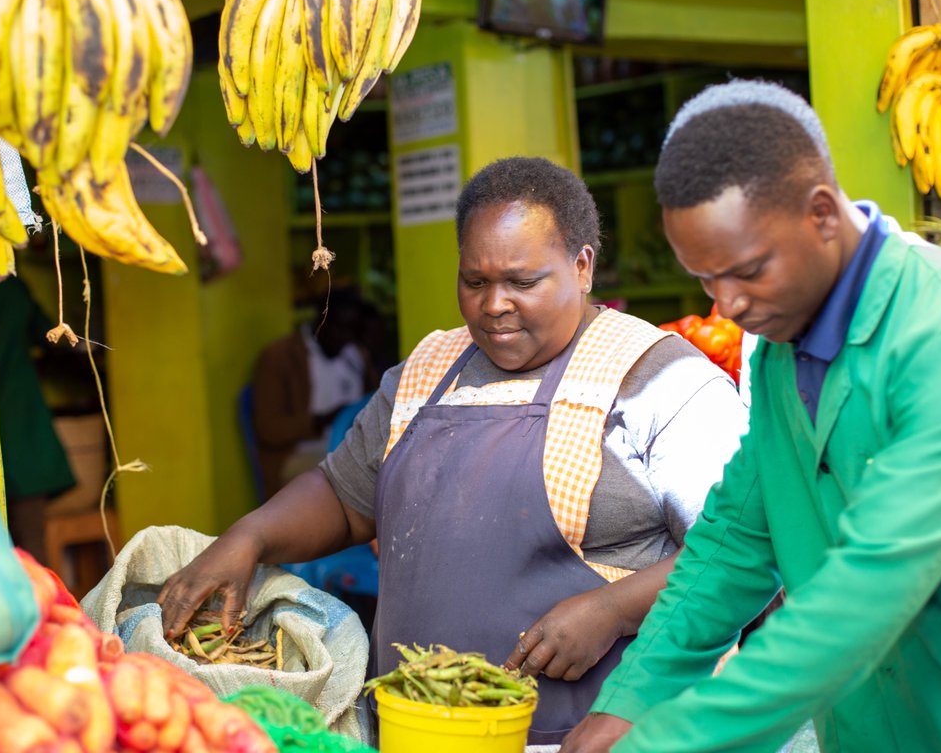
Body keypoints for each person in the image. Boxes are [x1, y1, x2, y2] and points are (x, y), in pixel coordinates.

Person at [159, 156, 749, 743]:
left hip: (599, 733)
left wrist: (613, 610)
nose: (494, 305)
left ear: (583, 265)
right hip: (418, 732)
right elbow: (344, 497)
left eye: (522, 282)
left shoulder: (658, 380)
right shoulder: (425, 371)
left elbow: (741, 554)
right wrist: (250, 537)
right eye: (475, 282)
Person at [562, 80, 941, 753]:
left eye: (748, 270)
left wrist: (663, 743)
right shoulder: (783, 351)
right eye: (704, 279)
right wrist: (633, 700)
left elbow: (867, 592)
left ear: (821, 214)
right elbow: (735, 539)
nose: (728, 304)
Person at [249, 289, 378, 495]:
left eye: (352, 330)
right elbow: (268, 429)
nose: (345, 337)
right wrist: (323, 420)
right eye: (339, 327)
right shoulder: (280, 356)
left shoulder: (355, 356)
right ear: (321, 318)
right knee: (357, 474)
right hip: (297, 455)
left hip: (350, 448)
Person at [0, 275, 77, 566]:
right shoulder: (12, 288)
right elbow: (51, 336)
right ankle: (42, 609)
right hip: (19, 416)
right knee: (31, 543)